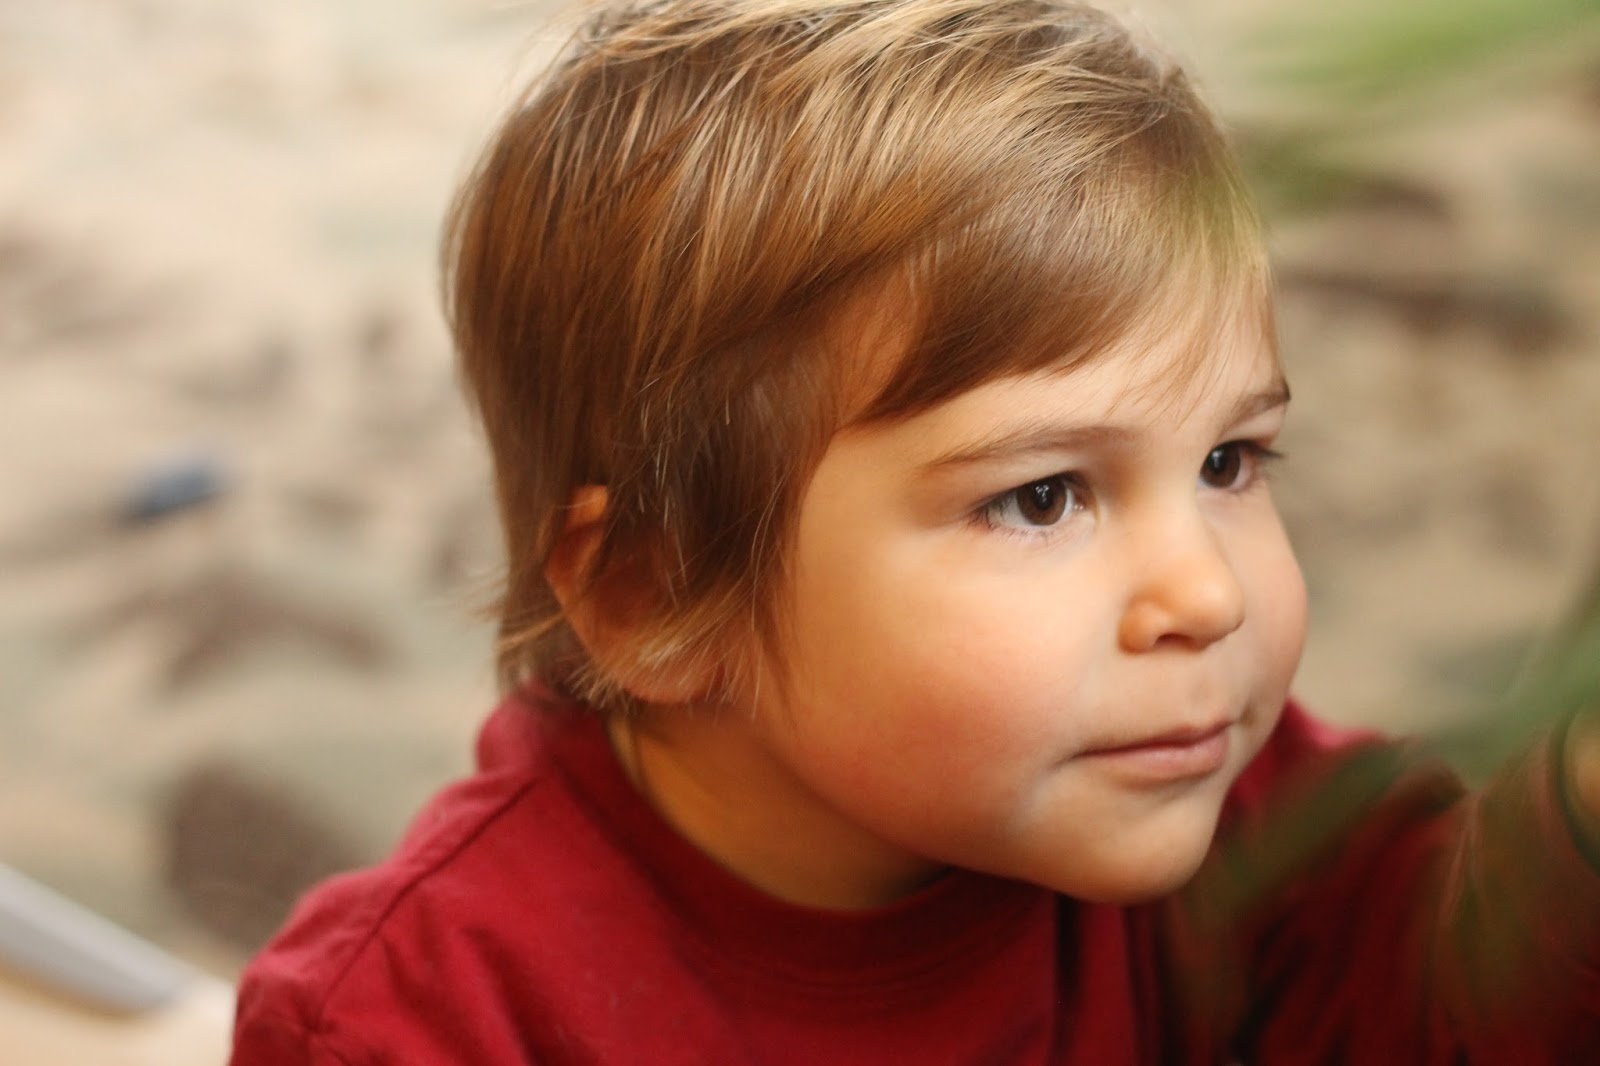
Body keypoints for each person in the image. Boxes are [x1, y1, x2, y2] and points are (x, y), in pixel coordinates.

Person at [228, 1, 1600, 1061]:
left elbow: (1473, 1001)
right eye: (1043, 495)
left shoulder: (1238, 807)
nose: (1207, 594)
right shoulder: (415, 1020)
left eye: (1229, 461)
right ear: (660, 594)